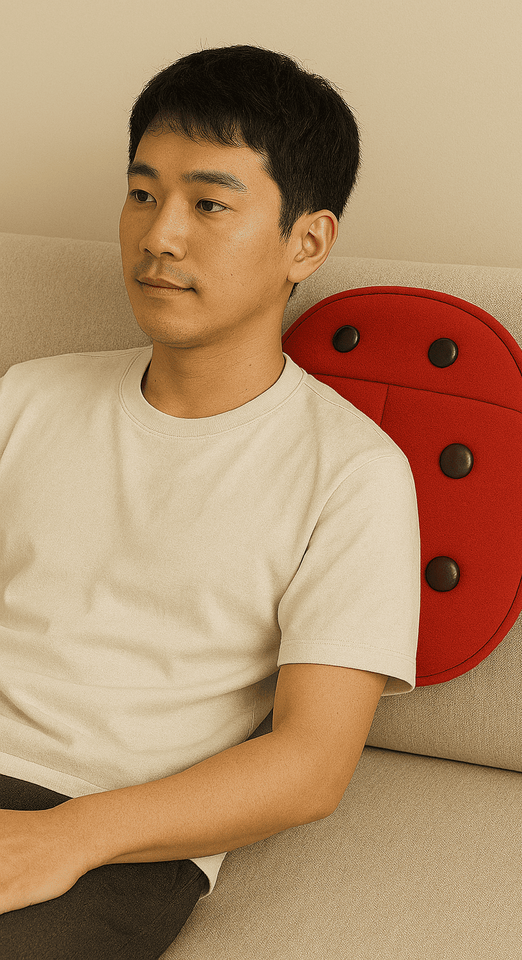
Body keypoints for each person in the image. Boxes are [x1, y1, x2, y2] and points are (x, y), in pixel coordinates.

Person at [0, 45, 420, 959]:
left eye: (210, 204)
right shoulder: (25, 398)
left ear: (307, 242)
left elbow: (310, 766)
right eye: (142, 193)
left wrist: (64, 838)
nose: (159, 236)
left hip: (120, 833)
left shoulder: (354, 473)